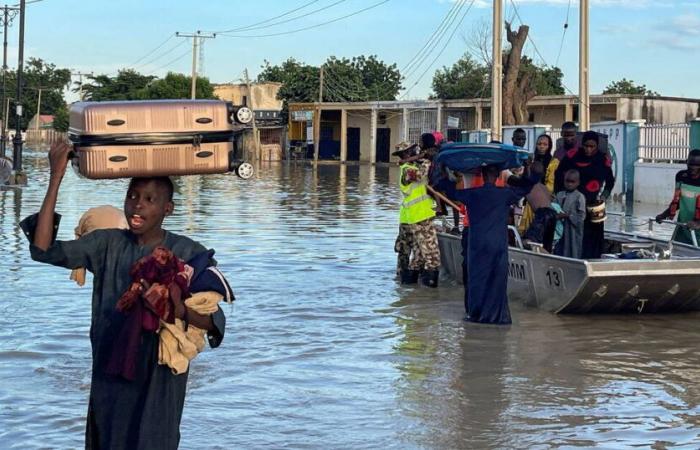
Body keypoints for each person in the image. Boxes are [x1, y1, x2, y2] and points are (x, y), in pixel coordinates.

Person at [20, 142, 228, 449]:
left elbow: (214, 322)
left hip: (160, 379)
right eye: (132, 196)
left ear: (167, 208)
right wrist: (56, 176)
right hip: (110, 371)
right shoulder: (106, 243)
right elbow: (42, 250)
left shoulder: (189, 253)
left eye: (149, 199)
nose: (137, 205)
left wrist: (176, 309)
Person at [443, 164, 533, 324]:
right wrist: (531, 170)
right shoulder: (505, 194)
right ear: (499, 176)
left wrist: (443, 167)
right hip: (498, 243)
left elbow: (448, 190)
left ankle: (476, 314)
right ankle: (498, 317)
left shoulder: (472, 194)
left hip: (477, 243)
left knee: (477, 278)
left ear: (483, 176)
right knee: (497, 279)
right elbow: (526, 187)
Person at [555, 131, 615, 259]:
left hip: (595, 204)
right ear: (582, 144)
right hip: (573, 203)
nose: (588, 149)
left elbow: (610, 181)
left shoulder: (602, 159)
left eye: (592, 146)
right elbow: (558, 176)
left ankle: (593, 260)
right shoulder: (572, 156)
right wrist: (559, 196)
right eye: (586, 146)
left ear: (597, 146)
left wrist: (604, 196)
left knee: (594, 236)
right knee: (572, 234)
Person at [396, 141, 440, 287]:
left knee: (419, 257)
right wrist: (427, 160)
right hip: (419, 217)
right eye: (414, 150)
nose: (417, 151)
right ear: (407, 154)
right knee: (433, 257)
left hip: (421, 216)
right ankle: (431, 297)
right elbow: (420, 175)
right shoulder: (407, 170)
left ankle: (412, 292)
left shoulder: (411, 166)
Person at [655, 149, 700, 245]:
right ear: (686, 162)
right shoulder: (681, 176)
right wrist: (664, 215)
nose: (693, 168)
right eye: (691, 164)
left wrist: (698, 224)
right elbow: (678, 201)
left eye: (697, 165)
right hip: (684, 226)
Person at [522, 161, 558, 252]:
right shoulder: (543, 187)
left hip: (543, 214)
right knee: (546, 245)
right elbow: (551, 199)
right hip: (552, 214)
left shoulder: (526, 185)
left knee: (528, 242)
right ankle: (548, 258)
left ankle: (546, 256)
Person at [554, 169, 587, 258]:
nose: (569, 184)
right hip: (560, 229)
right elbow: (554, 208)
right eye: (567, 181)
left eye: (572, 182)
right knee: (559, 250)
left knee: (573, 250)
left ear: (578, 182)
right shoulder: (559, 195)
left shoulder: (579, 197)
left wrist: (568, 215)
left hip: (573, 230)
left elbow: (581, 217)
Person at [553, 121, 578, 192]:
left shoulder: (581, 150)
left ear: (576, 134)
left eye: (571, 135)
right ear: (561, 134)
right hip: (561, 189)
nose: (569, 138)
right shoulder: (557, 153)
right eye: (566, 135)